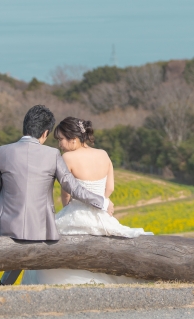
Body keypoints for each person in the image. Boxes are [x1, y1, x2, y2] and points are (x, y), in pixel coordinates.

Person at [0, 105, 115, 286]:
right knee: (24, 241)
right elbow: (73, 188)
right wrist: (102, 202)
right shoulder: (53, 154)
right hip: (40, 226)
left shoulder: (2, 151)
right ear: (44, 133)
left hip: (5, 221)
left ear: (25, 126)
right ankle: (4, 285)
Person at [21, 117, 152, 285]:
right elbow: (110, 188)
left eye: (61, 139)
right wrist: (102, 204)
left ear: (74, 139)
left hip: (76, 211)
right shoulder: (103, 154)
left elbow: (67, 193)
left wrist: (67, 209)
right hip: (102, 213)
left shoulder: (67, 157)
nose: (59, 144)